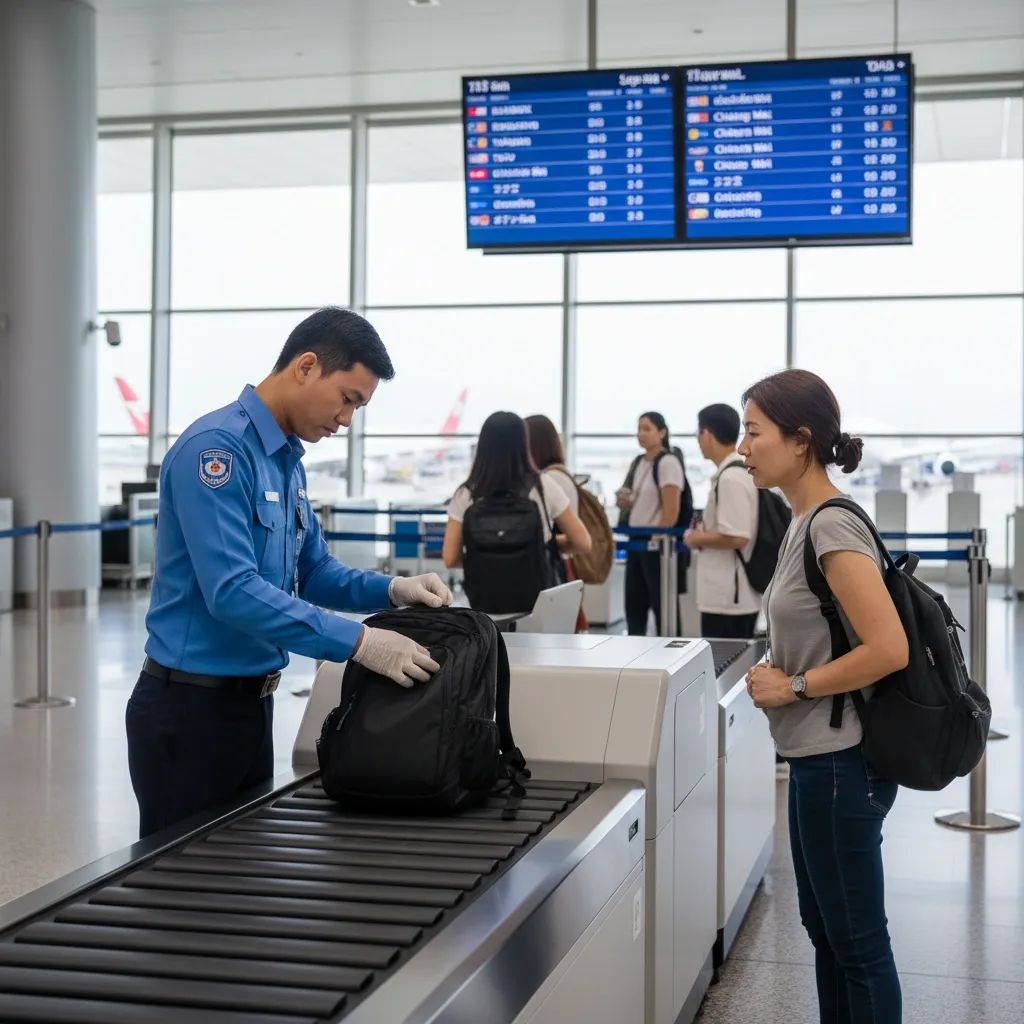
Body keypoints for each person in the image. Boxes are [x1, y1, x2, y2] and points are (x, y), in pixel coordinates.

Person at [127, 307, 453, 838]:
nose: (347, 420)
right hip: (188, 714)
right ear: (305, 366)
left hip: (251, 709)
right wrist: (360, 643)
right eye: (348, 399)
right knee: (183, 898)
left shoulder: (287, 462)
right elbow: (232, 591)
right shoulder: (217, 452)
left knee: (242, 886)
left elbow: (316, 570)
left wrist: (394, 588)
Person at [741, 369, 908, 1024]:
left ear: (800, 440)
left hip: (840, 765)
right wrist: (778, 666)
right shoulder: (799, 520)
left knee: (858, 947)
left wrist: (795, 685)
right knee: (830, 937)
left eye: (755, 431)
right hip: (816, 760)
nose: (744, 446)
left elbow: (887, 648)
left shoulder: (830, 527)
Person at [442, 411, 591, 593]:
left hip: (485, 598)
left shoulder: (465, 493)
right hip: (534, 598)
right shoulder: (543, 486)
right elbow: (582, 541)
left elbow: (450, 558)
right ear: (524, 443)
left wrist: (486, 558)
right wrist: (543, 546)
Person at [685, 403, 760, 639]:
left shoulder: (731, 479)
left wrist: (696, 538)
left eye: (698, 433)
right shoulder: (735, 473)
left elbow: (737, 536)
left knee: (725, 669)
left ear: (707, 434)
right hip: (730, 594)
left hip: (729, 598)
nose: (698, 440)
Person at [616, 411, 684, 636]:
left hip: (656, 545)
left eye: (647, 429)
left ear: (662, 432)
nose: (641, 434)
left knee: (662, 607)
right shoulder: (638, 462)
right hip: (636, 541)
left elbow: (671, 510)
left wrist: (657, 539)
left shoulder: (668, 462)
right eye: (639, 428)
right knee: (634, 607)